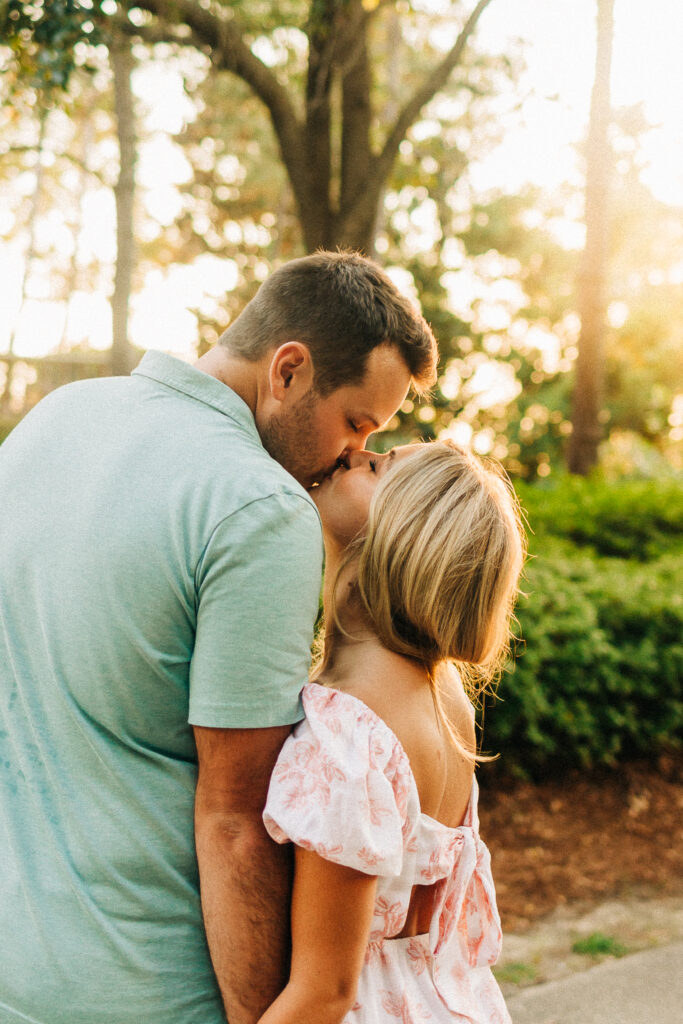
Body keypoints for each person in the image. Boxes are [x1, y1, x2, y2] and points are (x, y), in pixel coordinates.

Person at [0, 251, 438, 1024]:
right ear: (289, 370)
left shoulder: (52, 420)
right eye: (356, 422)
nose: (349, 452)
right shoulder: (258, 508)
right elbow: (235, 818)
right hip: (154, 992)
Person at [259, 440, 525, 1024]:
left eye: (378, 467)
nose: (355, 451)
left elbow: (324, 992)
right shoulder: (445, 695)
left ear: (406, 535)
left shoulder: (350, 731)